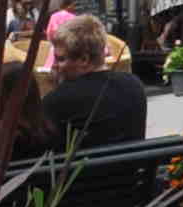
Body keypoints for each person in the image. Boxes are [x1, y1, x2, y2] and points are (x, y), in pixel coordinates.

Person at [38, 14, 150, 152]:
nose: (54, 65)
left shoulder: (56, 101)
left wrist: (56, 88)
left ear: (84, 59)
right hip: (136, 165)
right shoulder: (134, 85)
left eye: (61, 59)